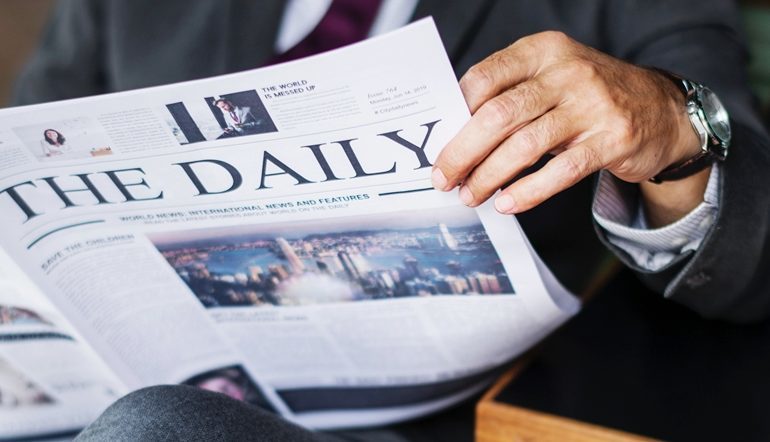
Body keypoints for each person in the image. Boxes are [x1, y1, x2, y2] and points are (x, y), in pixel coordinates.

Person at [12, 0, 770, 440]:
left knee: (156, 429)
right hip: (78, 387)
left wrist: (675, 128)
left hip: (420, 424)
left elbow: (756, 257)